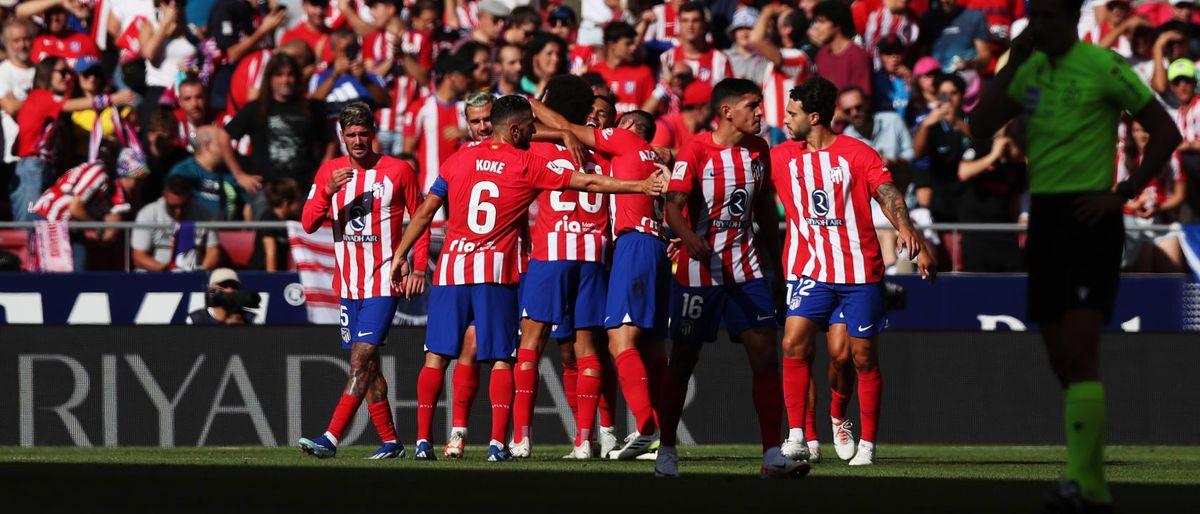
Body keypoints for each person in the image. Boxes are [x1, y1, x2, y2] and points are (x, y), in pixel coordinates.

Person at [969, 0, 1180, 509]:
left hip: (1091, 216)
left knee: (1082, 350)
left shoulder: (1102, 65)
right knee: (1060, 355)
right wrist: (1014, 62)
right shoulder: (1031, 67)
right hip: (1045, 220)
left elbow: (1166, 132)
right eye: (1034, 16)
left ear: (1070, 20)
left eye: (1049, 17)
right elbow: (979, 127)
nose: (1039, 25)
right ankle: (1092, 485)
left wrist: (1123, 191)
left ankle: (1082, 484)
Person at [387, 94, 667, 462]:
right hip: (503, 273)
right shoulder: (528, 163)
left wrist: (400, 253)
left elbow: (425, 211)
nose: (536, 132)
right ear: (516, 129)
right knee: (511, 357)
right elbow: (589, 184)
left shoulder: (459, 158)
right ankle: (507, 443)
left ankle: (427, 442)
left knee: (439, 356)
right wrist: (639, 187)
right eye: (531, 128)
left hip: (455, 270)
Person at [772, 76, 934, 469]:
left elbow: (888, 191)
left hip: (858, 273)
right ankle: (799, 436)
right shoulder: (780, 155)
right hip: (808, 269)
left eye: (792, 113)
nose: (785, 119)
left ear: (813, 117)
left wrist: (906, 228)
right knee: (794, 344)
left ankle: (855, 434)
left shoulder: (857, 154)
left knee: (851, 357)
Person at [651, 77, 802, 478]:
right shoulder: (696, 149)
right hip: (698, 273)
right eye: (752, 105)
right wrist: (689, 241)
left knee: (766, 357)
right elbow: (673, 207)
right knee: (683, 359)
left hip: (746, 270)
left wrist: (777, 266)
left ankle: (772, 454)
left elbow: (766, 211)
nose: (759, 112)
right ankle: (666, 450)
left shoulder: (759, 149)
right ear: (726, 112)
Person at [531, 101, 671, 462]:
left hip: (632, 245)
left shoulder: (625, 142)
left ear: (626, 126)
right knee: (653, 349)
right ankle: (660, 432)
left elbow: (567, 125)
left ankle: (645, 427)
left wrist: (532, 102)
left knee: (618, 340)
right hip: (657, 246)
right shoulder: (657, 157)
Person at [296, 102, 432, 461]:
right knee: (368, 369)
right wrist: (326, 191)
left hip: (383, 281)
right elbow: (307, 222)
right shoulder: (330, 171)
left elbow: (420, 218)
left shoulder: (398, 171)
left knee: (360, 361)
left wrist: (418, 267)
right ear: (342, 137)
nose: (358, 141)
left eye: (363, 134)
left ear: (373, 134)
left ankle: (330, 438)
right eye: (351, 135)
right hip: (348, 285)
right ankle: (391, 442)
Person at [509, 75, 612, 460]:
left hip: (551, 252)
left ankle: (521, 438)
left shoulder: (538, 148)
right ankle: (585, 441)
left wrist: (552, 128)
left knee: (530, 345)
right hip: (593, 252)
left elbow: (519, 114)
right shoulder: (601, 147)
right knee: (587, 349)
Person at [12, 57, 134, 221]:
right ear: (47, 73)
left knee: (44, 222)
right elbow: (68, 105)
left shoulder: (44, 100)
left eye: (69, 73)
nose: (68, 77)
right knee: (31, 220)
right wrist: (111, 99)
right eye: (62, 72)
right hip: (33, 168)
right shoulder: (42, 96)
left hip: (44, 168)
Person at [220, 53, 335, 201]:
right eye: (279, 75)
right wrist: (239, 175)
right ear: (270, 79)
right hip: (266, 191)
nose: (285, 80)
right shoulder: (256, 108)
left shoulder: (312, 108)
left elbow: (330, 140)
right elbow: (223, 136)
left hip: (304, 189)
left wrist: (322, 172)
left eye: (290, 75)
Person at [402, 53, 473, 194]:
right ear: (450, 77)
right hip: (429, 186)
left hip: (461, 186)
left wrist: (466, 133)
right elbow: (407, 153)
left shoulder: (465, 107)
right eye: (465, 75)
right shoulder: (420, 107)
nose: (469, 80)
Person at [130, 176, 221, 272]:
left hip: (193, 273)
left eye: (183, 206)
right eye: (172, 207)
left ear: (190, 197)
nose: (178, 212)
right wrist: (166, 271)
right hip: (156, 273)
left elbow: (213, 250)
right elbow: (138, 257)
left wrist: (202, 272)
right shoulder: (148, 213)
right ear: (164, 195)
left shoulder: (205, 213)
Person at [166, 126, 253, 222]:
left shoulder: (233, 172)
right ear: (208, 145)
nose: (228, 147)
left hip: (228, 233)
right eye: (222, 143)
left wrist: (247, 232)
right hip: (194, 232)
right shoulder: (182, 172)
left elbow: (248, 205)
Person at [750, 3, 813, 131]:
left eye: (776, 19)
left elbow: (755, 40)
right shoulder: (783, 55)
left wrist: (768, 10)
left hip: (785, 131)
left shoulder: (797, 57)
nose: (771, 23)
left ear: (787, 29)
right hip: (772, 130)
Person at [137, 0, 198, 117]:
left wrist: (193, 70)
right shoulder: (149, 26)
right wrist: (165, 24)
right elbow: (149, 54)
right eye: (168, 1)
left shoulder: (191, 31)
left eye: (179, 2)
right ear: (160, 3)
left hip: (186, 94)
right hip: (158, 93)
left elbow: (202, 61)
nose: (174, 6)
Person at [659, 2, 735, 88]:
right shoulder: (666, 58)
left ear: (704, 25)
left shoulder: (720, 59)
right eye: (685, 20)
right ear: (679, 25)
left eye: (695, 20)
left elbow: (729, 95)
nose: (690, 25)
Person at [590, 22, 657, 113]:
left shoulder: (644, 73)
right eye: (628, 44)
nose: (633, 48)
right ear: (612, 44)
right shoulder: (594, 72)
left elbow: (651, 112)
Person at [810, 0, 872, 97]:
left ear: (837, 24)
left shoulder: (857, 55)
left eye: (822, 22)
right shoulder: (822, 54)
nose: (816, 27)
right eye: (816, 22)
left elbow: (862, 98)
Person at [17, 0, 100, 66]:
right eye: (50, 13)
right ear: (43, 15)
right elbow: (20, 12)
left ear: (67, 14)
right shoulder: (35, 37)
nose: (55, 17)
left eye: (59, 12)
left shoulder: (85, 41)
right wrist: (59, 1)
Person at [248, 177, 300, 272]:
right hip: (261, 272)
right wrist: (272, 280)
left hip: (281, 271)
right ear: (286, 203)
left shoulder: (292, 220)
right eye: (297, 200)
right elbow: (271, 252)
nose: (299, 204)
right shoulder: (267, 217)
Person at [650, 80, 713, 159]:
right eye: (712, 108)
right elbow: (654, 156)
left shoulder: (709, 131)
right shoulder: (666, 125)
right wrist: (697, 148)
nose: (715, 112)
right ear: (699, 108)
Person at [188, 268, 259, 325]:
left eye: (234, 285)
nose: (230, 290)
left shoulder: (252, 319)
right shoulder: (195, 319)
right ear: (211, 289)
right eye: (224, 285)